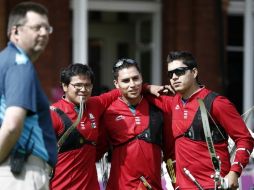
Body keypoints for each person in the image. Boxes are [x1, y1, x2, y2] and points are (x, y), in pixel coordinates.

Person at [147, 51, 254, 189]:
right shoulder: (172, 103)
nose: (174, 77)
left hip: (214, 186)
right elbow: (133, 92)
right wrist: (149, 87)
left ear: (194, 72)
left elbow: (245, 138)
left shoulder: (217, 103)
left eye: (179, 72)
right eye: (170, 74)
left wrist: (234, 172)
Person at [0, 2, 57, 190]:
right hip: (20, 172)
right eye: (36, 27)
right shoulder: (19, 64)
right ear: (15, 32)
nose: (44, 33)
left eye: (47, 28)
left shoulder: (4, 61)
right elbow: (12, 125)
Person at [96, 58, 171, 190]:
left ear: (142, 78)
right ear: (116, 84)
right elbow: (95, 152)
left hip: (153, 185)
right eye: (125, 81)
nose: (132, 84)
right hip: (120, 186)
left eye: (135, 78)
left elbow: (172, 150)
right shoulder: (108, 112)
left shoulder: (157, 106)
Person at [49, 63, 121, 190]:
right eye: (78, 85)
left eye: (87, 85)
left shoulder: (95, 104)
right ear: (65, 86)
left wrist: (147, 88)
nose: (83, 89)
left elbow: (121, 91)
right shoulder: (53, 114)